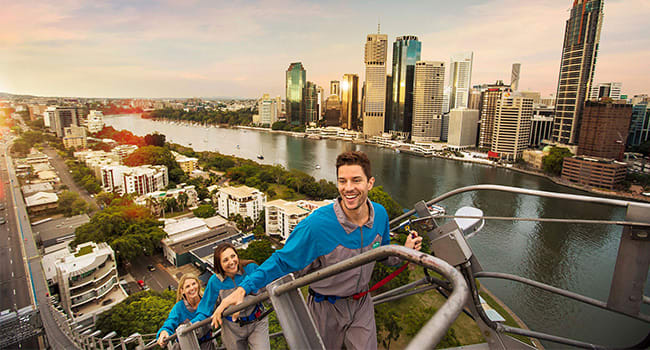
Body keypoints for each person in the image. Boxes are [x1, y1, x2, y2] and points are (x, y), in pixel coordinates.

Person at [212, 151, 422, 349]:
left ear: (370, 183)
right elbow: (282, 261)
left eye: (356, 180)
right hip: (325, 308)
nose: (348, 188)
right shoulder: (316, 226)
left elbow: (384, 253)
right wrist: (243, 289)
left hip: (362, 304)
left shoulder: (381, 215)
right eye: (342, 181)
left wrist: (404, 252)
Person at [192, 242, 270, 350]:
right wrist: (192, 325)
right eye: (225, 260)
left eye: (233, 256)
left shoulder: (250, 268)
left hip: (256, 321)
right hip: (232, 329)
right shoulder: (215, 282)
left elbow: (267, 287)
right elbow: (205, 310)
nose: (231, 262)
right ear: (219, 264)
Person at [156, 274, 214, 349]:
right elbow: (171, 321)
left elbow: (204, 315)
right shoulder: (179, 307)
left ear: (198, 285)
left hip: (206, 342)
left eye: (194, 284)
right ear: (182, 291)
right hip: (186, 345)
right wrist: (164, 331)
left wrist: (187, 327)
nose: (192, 288)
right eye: (187, 286)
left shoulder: (206, 301)